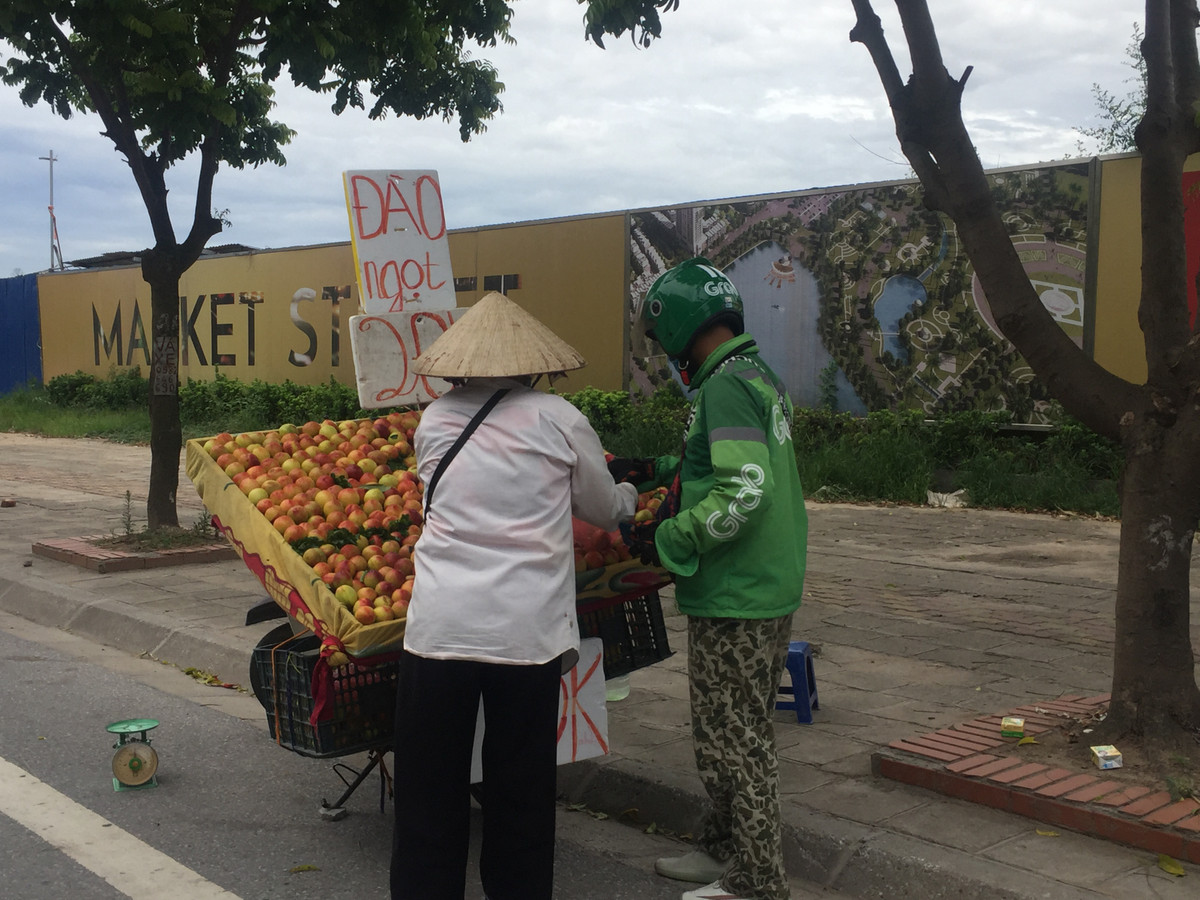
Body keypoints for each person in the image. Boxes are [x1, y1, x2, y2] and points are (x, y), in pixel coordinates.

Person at [389, 291, 638, 900]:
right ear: (534, 365)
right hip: (525, 637)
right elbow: (602, 508)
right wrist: (629, 495)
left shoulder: (434, 419)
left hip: (439, 631)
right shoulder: (558, 417)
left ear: (460, 365)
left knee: (429, 792)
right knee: (519, 790)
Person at [612, 258, 807, 900]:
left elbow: (744, 490)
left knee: (736, 739)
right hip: (762, 583)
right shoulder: (754, 373)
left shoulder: (725, 386)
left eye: (662, 342)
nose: (666, 356)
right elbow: (721, 461)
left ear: (678, 328)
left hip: (736, 593)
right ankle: (723, 848)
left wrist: (666, 538)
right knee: (724, 730)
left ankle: (757, 880)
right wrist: (655, 468)